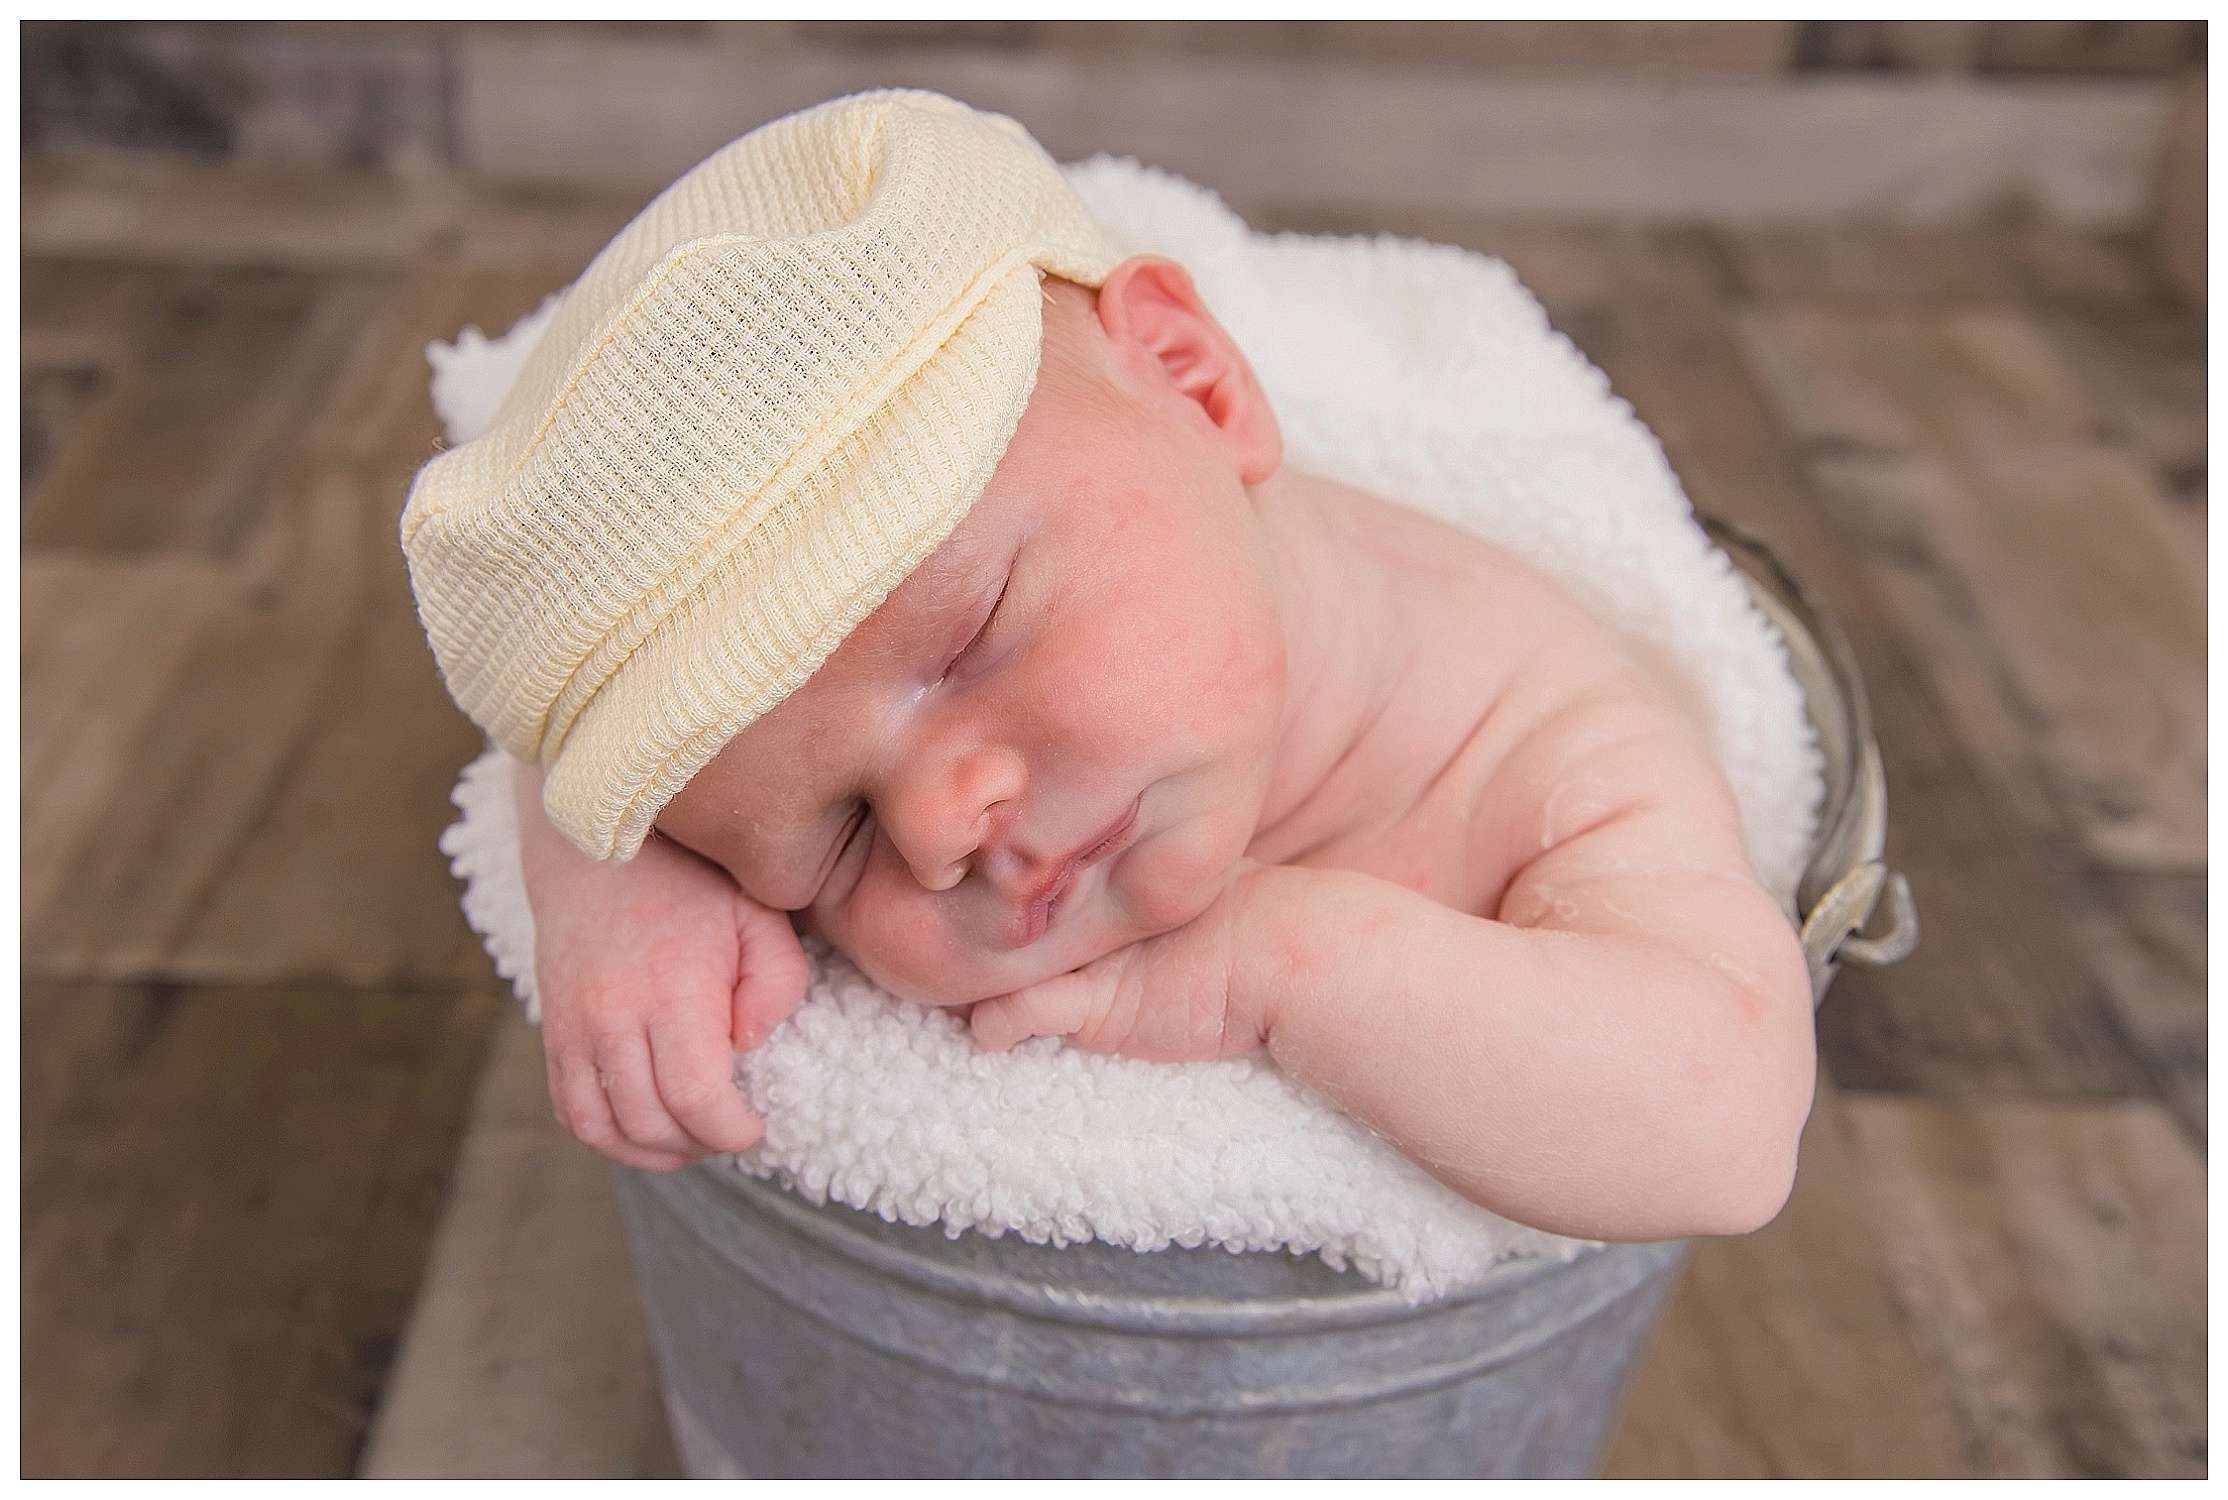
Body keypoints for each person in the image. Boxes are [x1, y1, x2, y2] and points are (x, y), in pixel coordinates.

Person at [402, 88, 1814, 1245]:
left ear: (1200, 385)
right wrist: (607, 877)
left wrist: (1281, 966)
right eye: (832, 841)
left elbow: (1729, 1123)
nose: (941, 827)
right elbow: (621, 732)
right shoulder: (834, 707)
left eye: (968, 641)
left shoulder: (1530, 737)